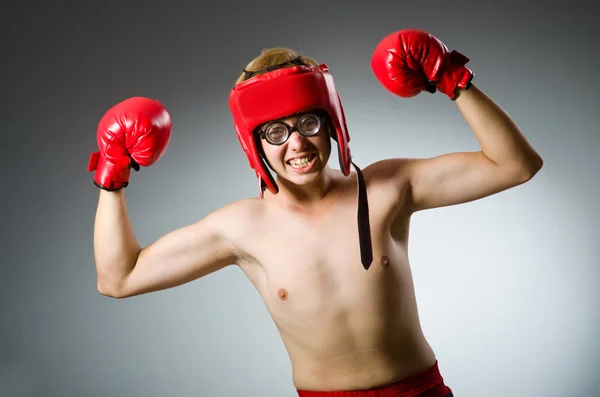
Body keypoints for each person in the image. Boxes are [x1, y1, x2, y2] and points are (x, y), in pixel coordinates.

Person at [89, 28, 543, 397]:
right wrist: (112, 177)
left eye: (308, 122)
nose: (298, 143)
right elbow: (118, 278)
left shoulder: (388, 187)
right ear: (254, 144)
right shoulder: (240, 228)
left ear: (332, 123)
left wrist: (451, 78)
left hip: (417, 392)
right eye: (276, 132)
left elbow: (516, 165)